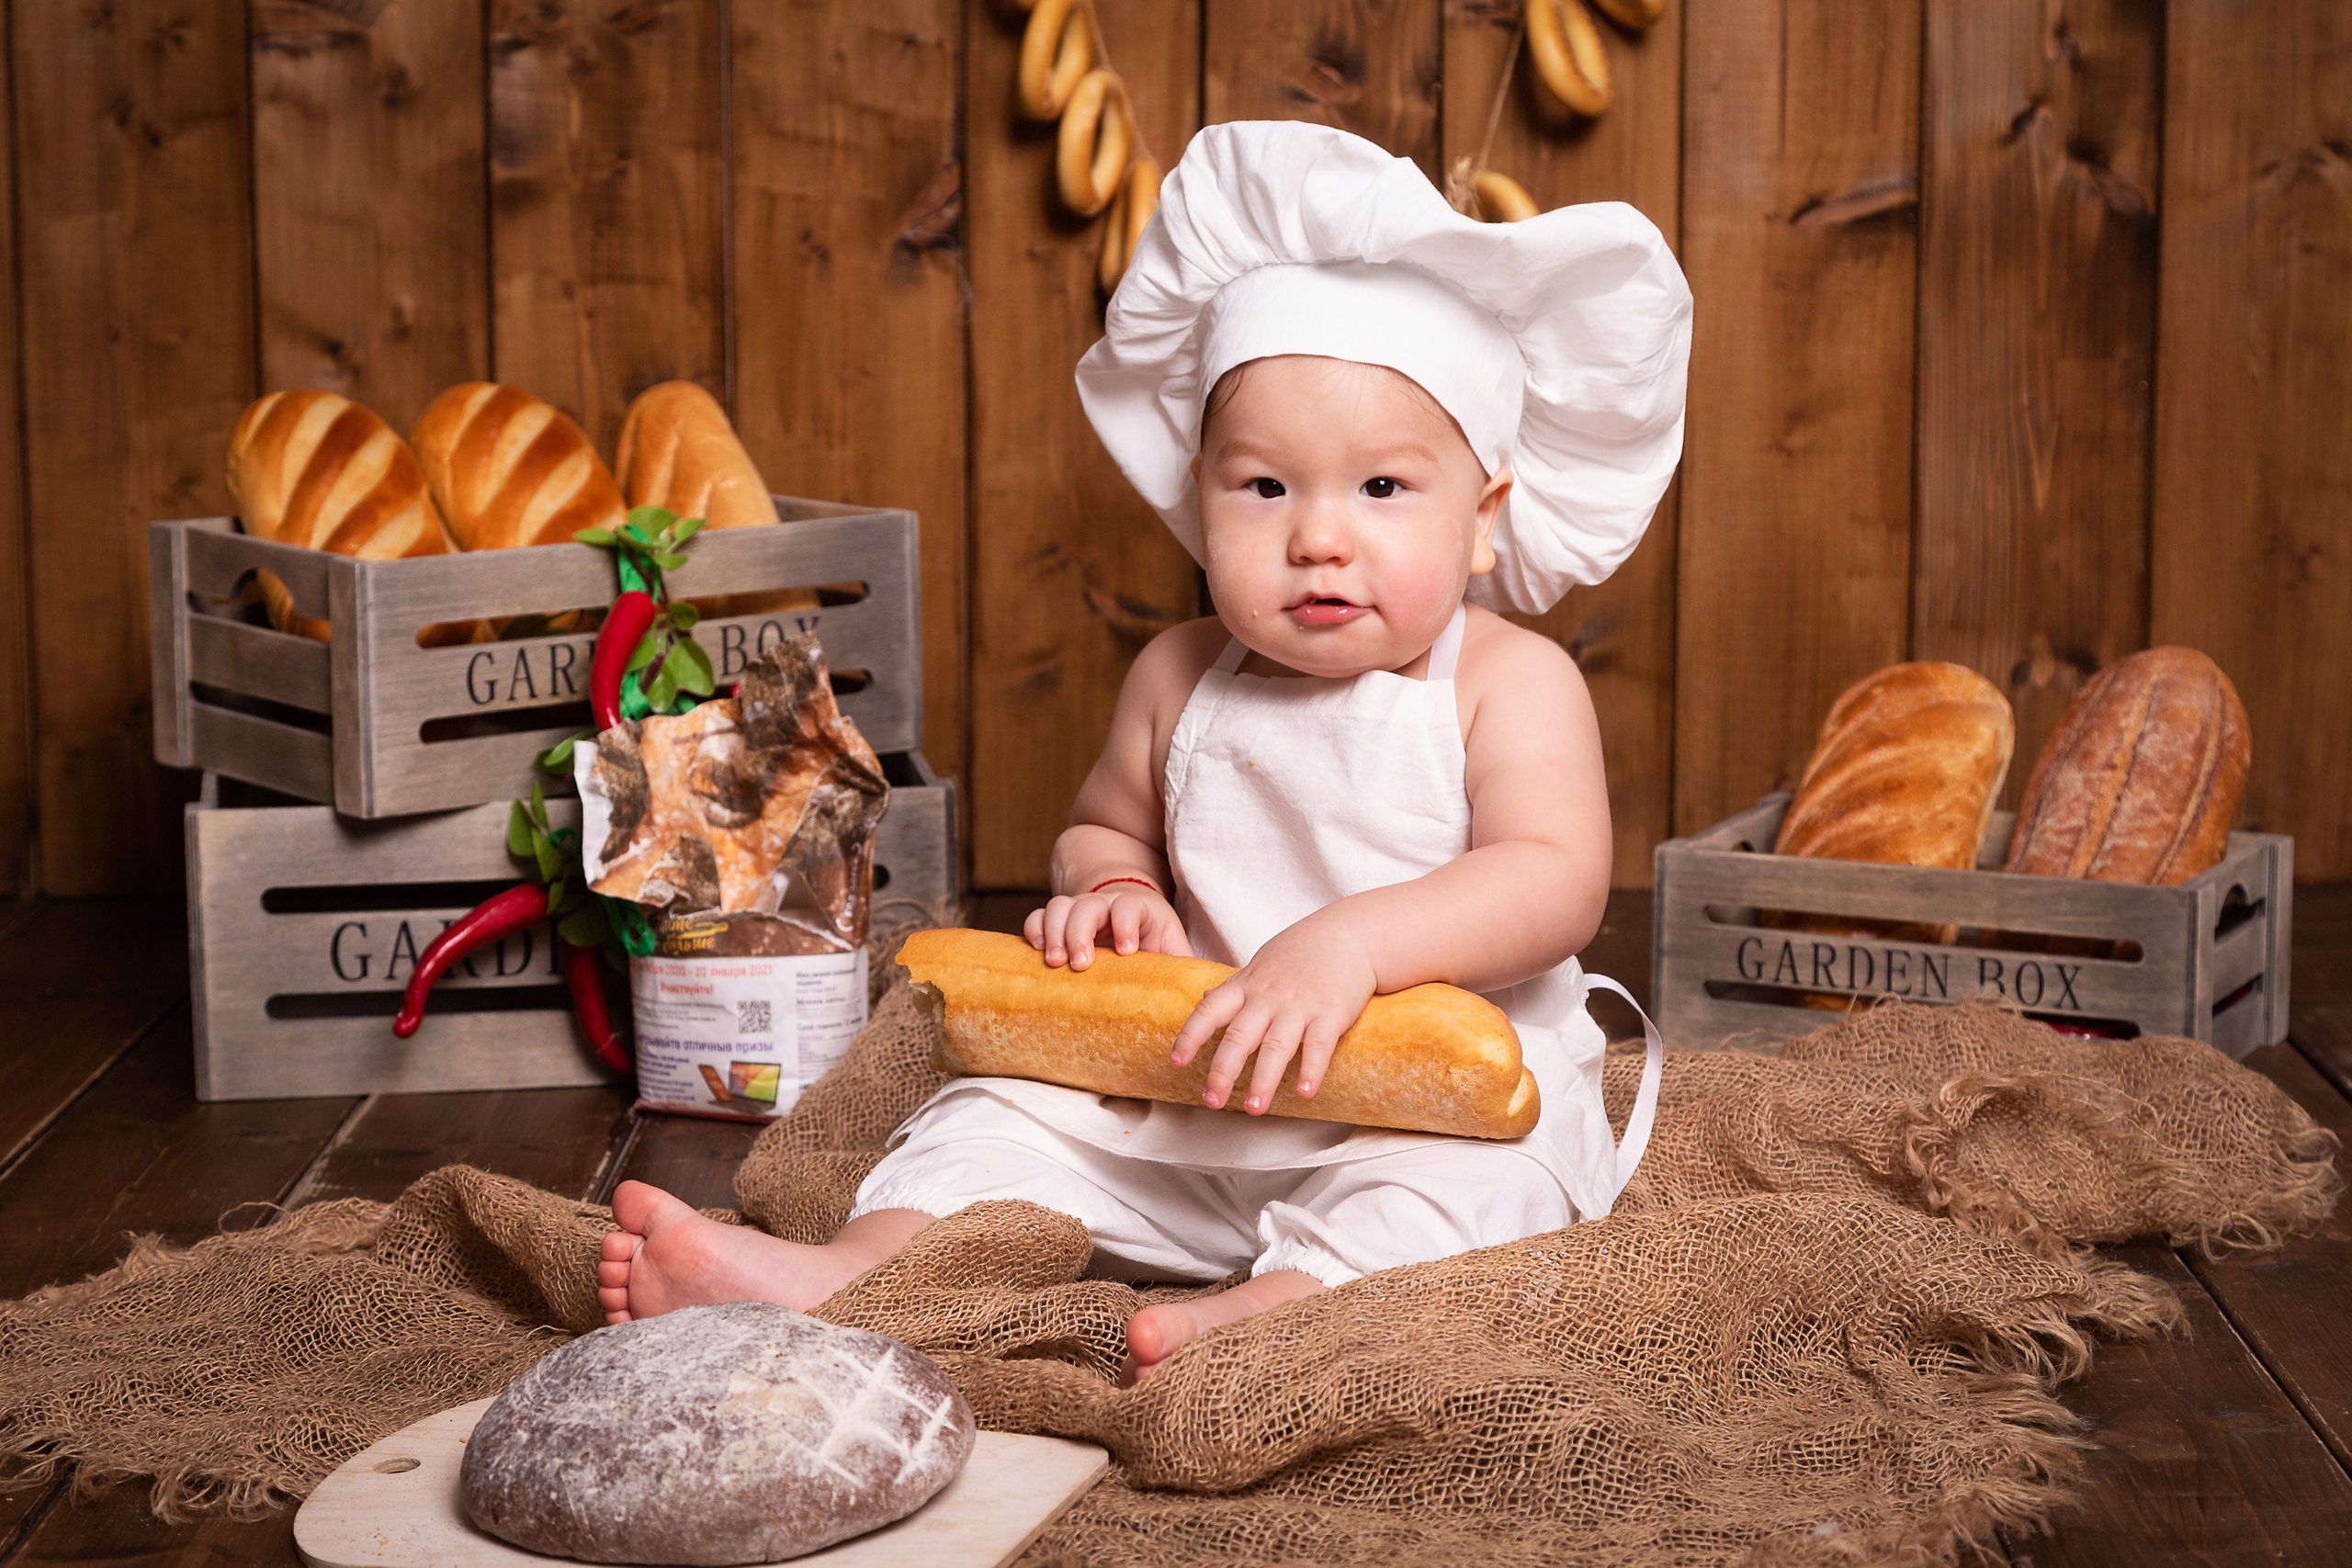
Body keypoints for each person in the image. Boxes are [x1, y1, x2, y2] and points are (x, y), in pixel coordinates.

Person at [597, 120, 1690, 1382]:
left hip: (1421, 1113)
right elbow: (1104, 824)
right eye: (1265, 489)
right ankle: (844, 1273)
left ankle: (1272, 1312)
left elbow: (1555, 879)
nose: (1319, 539)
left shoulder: (1507, 682)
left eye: (1383, 490)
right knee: (986, 1119)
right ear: (1197, 497)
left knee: (1483, 1206)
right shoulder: (1180, 675)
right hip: (1181, 1093)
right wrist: (1109, 887)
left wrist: (1351, 945)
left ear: (1486, 518)